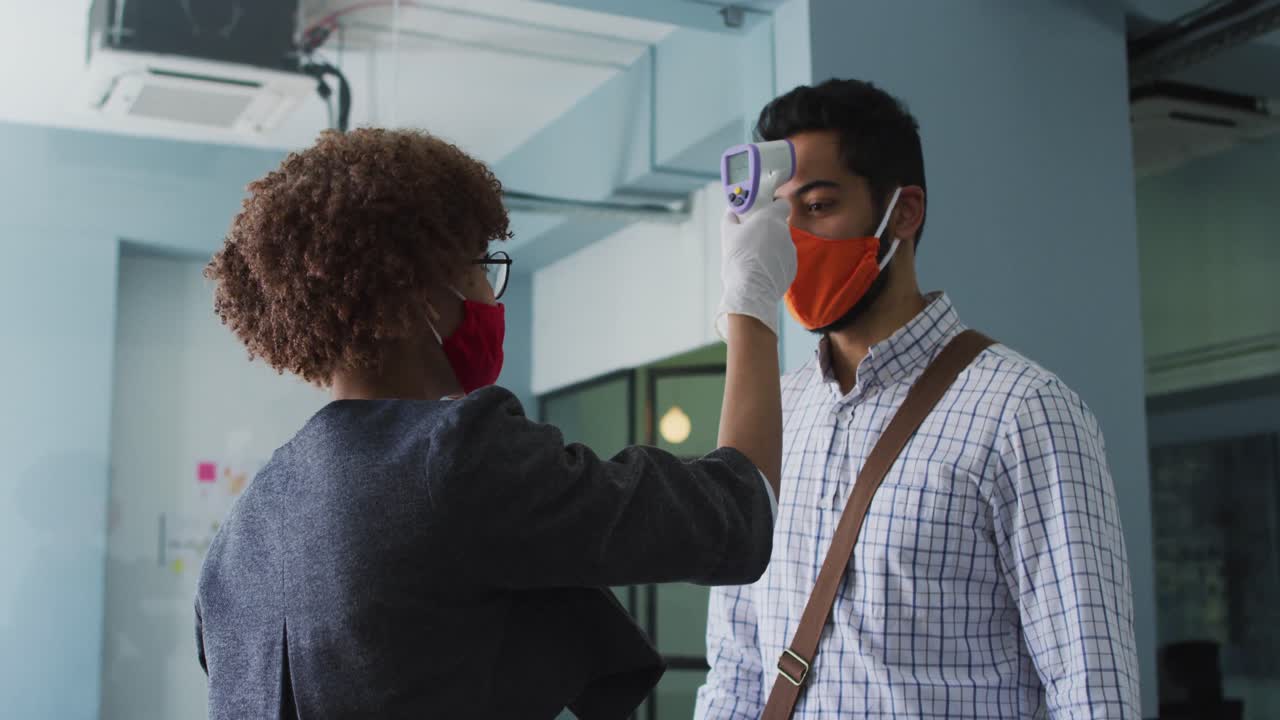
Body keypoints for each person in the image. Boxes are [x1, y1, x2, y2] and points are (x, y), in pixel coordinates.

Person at [195, 127, 797, 719]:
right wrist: (751, 300)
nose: (490, 293)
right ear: (423, 291)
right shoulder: (451, 457)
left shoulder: (238, 539)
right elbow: (737, 514)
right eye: (481, 268)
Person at [695, 79, 1141, 718]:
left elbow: (1094, 688)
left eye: (818, 207)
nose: (789, 240)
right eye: (779, 215)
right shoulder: (774, 412)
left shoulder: (1023, 411)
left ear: (904, 212)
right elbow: (737, 670)